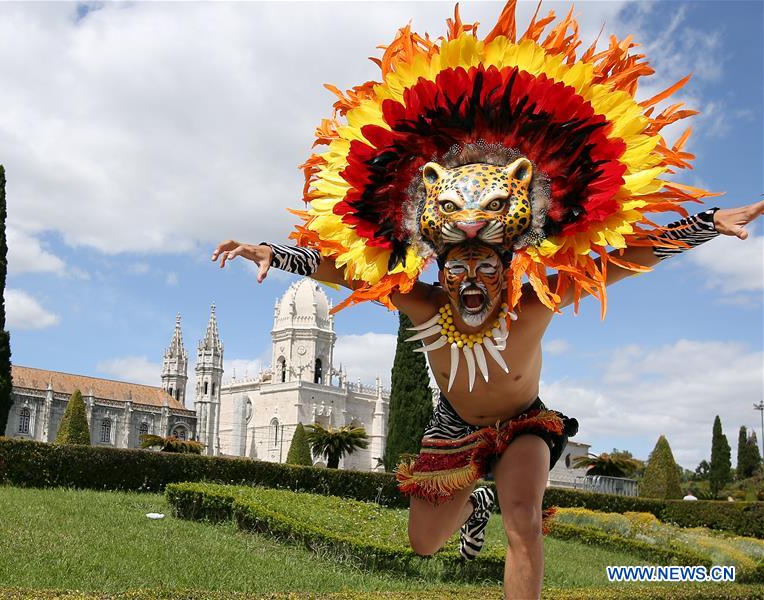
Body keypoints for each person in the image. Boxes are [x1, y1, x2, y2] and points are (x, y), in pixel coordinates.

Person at [211, 2, 764, 597]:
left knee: (523, 521)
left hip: (524, 422)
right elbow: (348, 275)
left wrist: (704, 223)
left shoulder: (536, 304)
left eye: (485, 265)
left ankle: (499, 505)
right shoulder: (423, 306)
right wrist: (277, 251)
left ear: (508, 269)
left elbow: (625, 259)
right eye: (458, 266)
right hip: (452, 428)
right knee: (423, 542)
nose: (471, 277)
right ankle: (476, 499)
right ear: (441, 271)